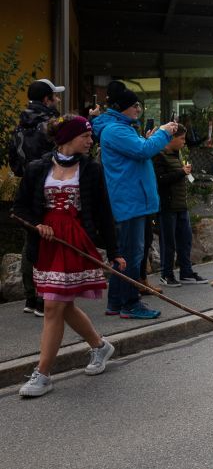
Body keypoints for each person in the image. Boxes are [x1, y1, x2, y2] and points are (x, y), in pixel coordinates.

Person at [12, 115, 125, 398]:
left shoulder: (91, 170)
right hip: (48, 243)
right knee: (62, 305)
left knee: (53, 306)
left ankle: (44, 374)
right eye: (85, 136)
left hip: (74, 240)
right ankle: (100, 347)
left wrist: (114, 252)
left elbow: (103, 211)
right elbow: (20, 207)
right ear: (68, 138)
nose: (90, 141)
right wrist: (37, 225)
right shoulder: (38, 168)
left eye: (90, 136)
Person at [92, 82, 178, 319]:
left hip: (132, 199)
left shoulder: (120, 127)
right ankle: (130, 303)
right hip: (129, 200)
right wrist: (163, 133)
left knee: (128, 254)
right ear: (122, 108)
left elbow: (140, 149)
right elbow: (143, 151)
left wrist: (151, 139)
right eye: (134, 105)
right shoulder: (116, 130)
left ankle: (116, 302)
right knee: (131, 254)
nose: (138, 109)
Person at [8, 79, 65, 317]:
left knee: (30, 239)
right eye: (55, 96)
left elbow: (15, 163)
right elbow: (65, 152)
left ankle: (31, 297)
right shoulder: (51, 125)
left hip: (26, 187)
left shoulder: (20, 126)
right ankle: (45, 297)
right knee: (49, 238)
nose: (58, 100)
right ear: (46, 99)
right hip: (49, 185)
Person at [153, 124, 208, 287]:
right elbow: (160, 180)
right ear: (171, 138)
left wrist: (184, 173)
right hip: (167, 206)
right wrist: (181, 172)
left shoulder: (177, 154)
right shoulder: (158, 155)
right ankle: (166, 274)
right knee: (168, 242)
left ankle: (186, 272)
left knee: (185, 240)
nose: (184, 142)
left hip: (181, 205)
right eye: (181, 138)